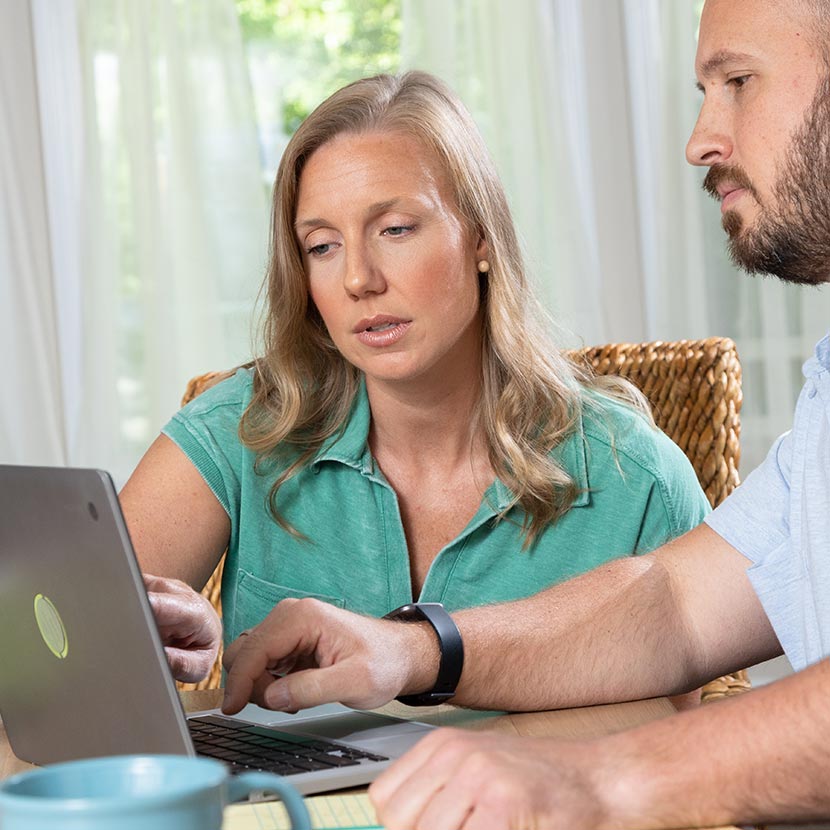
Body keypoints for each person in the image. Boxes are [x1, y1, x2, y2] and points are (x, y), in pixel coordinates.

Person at [218, 0, 830, 826]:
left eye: (738, 82)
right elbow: (675, 603)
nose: (701, 140)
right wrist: (412, 649)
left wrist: (595, 780)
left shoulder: (623, 462)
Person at [123, 71, 708, 684]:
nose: (358, 279)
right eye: (322, 245)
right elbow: (66, 645)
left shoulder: (635, 480)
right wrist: (158, 643)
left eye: (395, 230)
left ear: (481, 238)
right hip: (282, 787)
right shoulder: (240, 428)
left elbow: (665, 747)